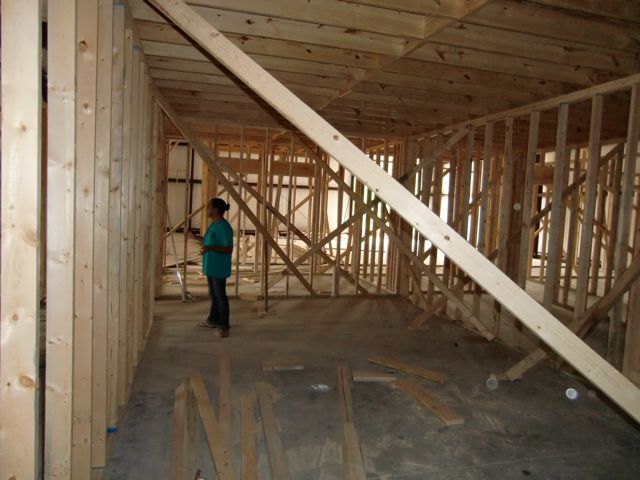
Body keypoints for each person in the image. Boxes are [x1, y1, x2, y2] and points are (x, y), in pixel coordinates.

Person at [198, 197, 234, 337]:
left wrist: (210, 247)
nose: (207, 209)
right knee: (213, 294)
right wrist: (196, 238)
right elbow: (209, 241)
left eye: (209, 207)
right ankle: (213, 320)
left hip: (219, 267)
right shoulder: (214, 224)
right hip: (211, 266)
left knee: (220, 296)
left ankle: (224, 325)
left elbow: (228, 249)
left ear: (216, 209)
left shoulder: (224, 227)